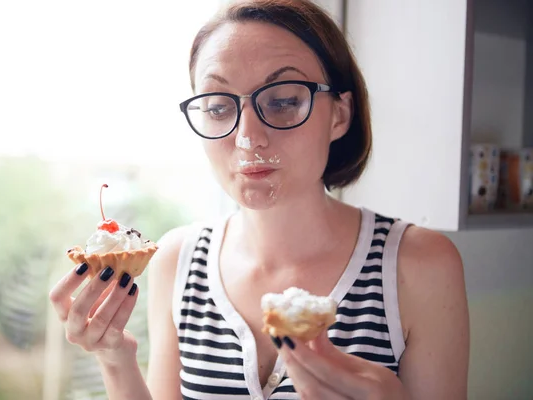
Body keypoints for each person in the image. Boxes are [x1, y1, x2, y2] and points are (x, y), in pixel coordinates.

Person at [49, 0, 470, 398]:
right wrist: (114, 356)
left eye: (284, 101)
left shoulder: (418, 265)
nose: (249, 136)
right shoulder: (178, 260)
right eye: (217, 107)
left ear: (340, 115)